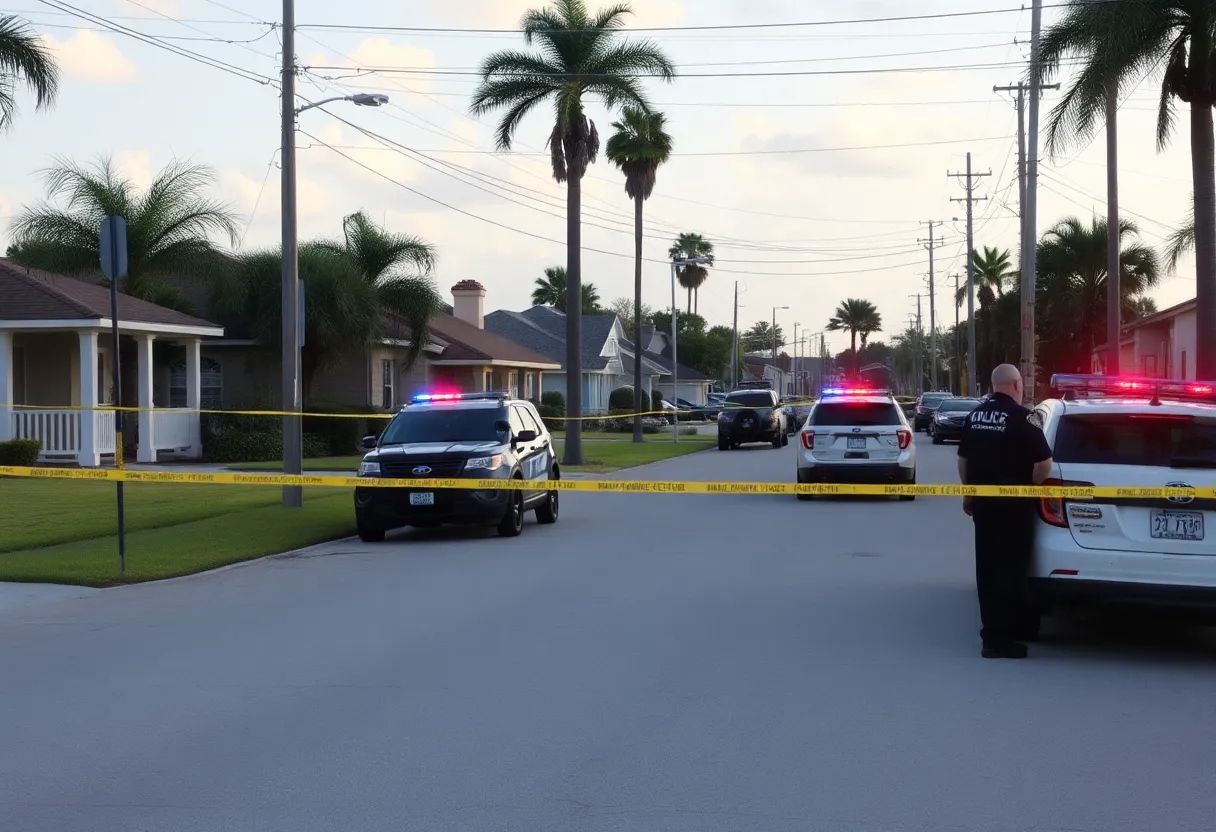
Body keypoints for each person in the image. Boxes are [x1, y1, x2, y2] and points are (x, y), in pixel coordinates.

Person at [957, 364, 1053, 659]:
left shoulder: (975, 416)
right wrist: (1030, 489)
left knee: (986, 568)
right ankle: (1004, 640)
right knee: (1010, 569)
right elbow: (1043, 465)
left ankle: (990, 635)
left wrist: (969, 491)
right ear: (1015, 384)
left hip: (983, 503)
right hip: (1014, 504)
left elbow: (963, 460)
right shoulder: (1025, 417)